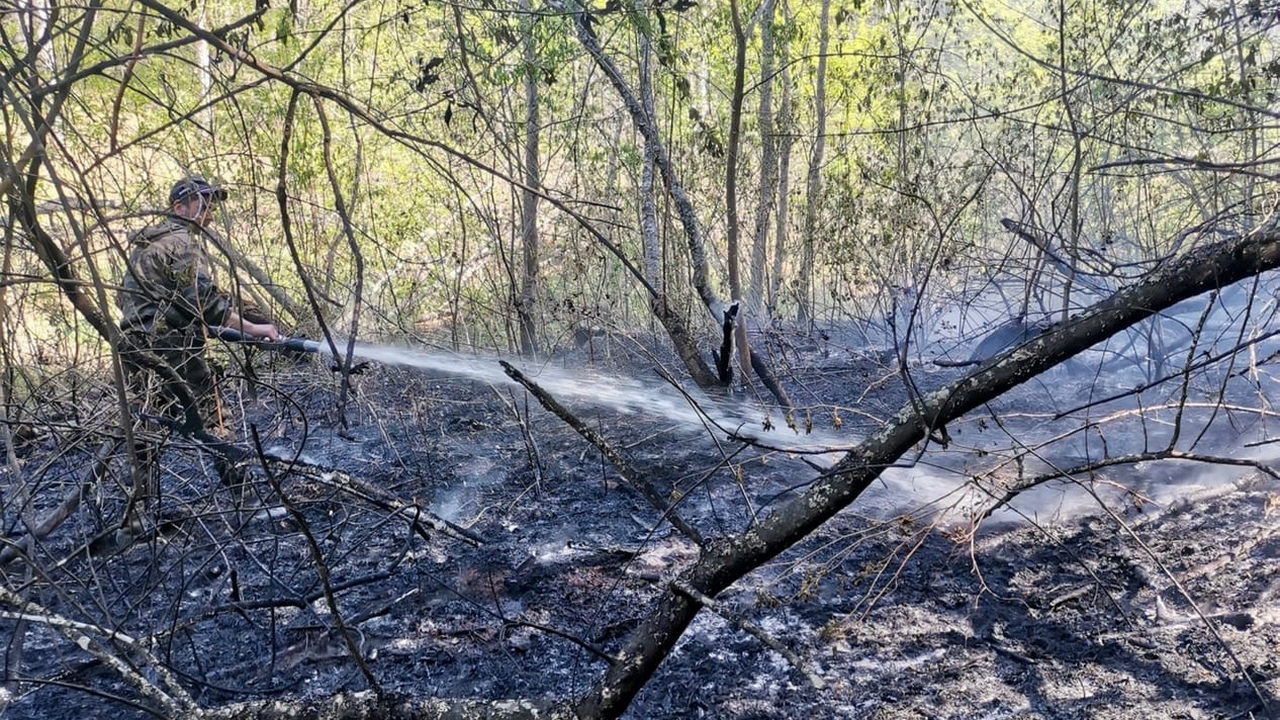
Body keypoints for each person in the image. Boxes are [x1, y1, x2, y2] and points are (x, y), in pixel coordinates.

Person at [118, 175, 281, 497]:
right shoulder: (181, 242)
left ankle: (136, 508)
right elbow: (203, 301)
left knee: (147, 422)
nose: (209, 213)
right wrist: (252, 328)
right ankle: (243, 495)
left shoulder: (145, 247)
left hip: (134, 346)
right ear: (179, 208)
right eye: (202, 204)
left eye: (211, 205)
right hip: (171, 348)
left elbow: (126, 298)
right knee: (213, 413)